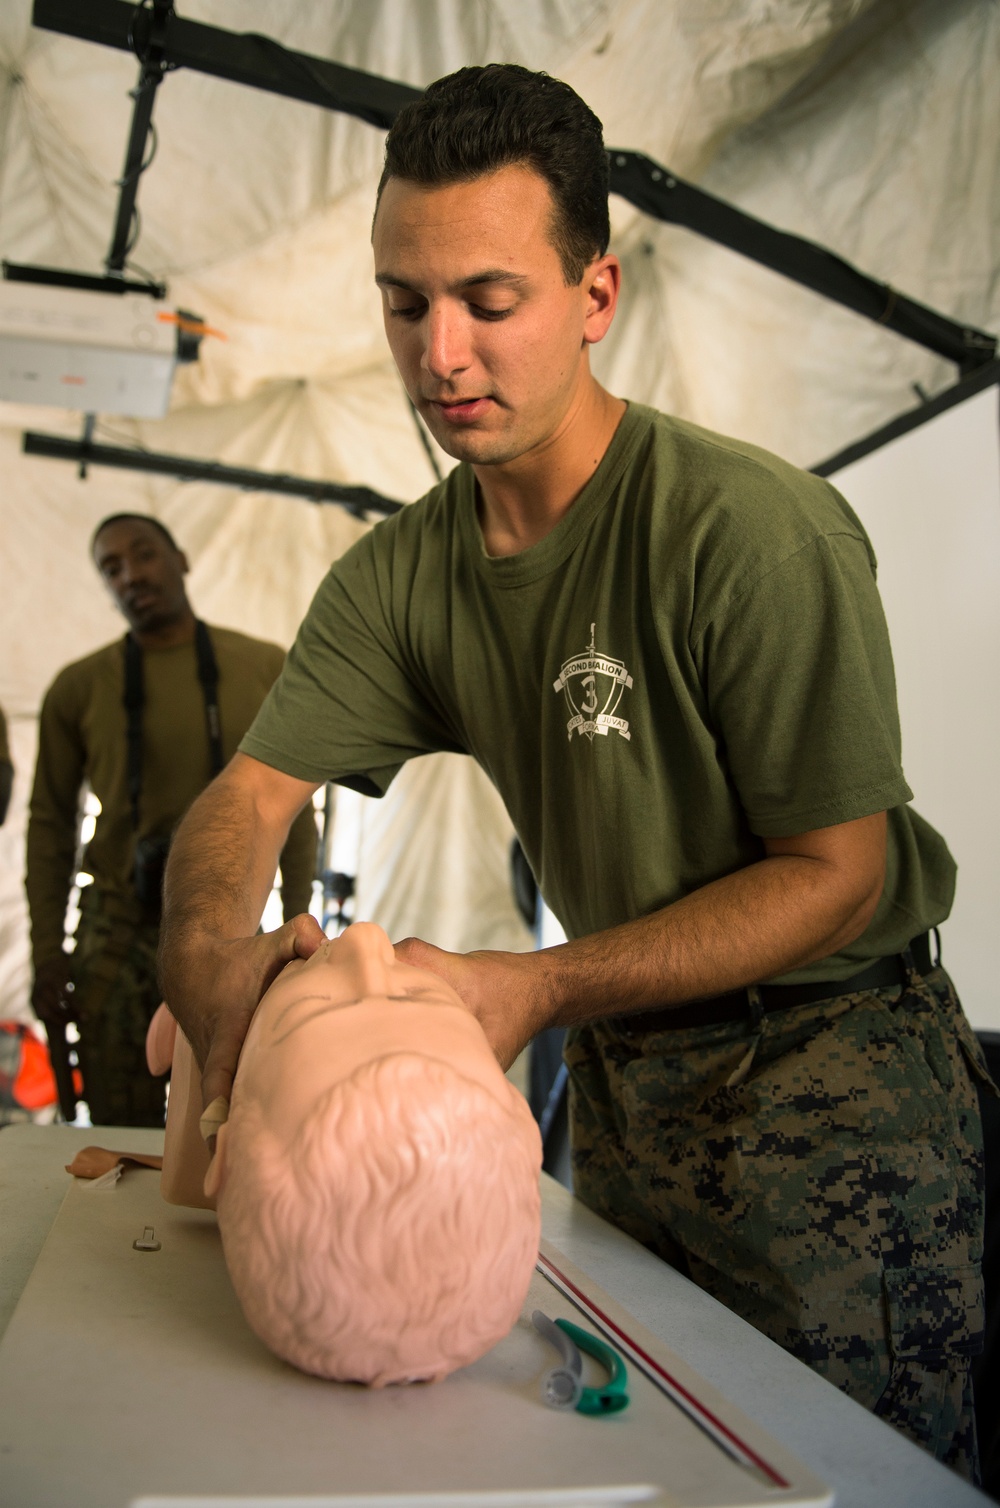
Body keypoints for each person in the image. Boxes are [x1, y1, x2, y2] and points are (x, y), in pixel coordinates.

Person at [158, 65, 994, 1475]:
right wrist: (203, 950)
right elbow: (248, 797)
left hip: (832, 1088)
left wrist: (533, 986)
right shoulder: (403, 580)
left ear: (594, 295)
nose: (441, 355)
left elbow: (838, 876)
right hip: (624, 1087)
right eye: (404, 304)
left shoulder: (748, 535)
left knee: (855, 1470)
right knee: (656, 1458)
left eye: (490, 301)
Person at [149, 922, 541, 1385]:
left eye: (313, 1006)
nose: (366, 939)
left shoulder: (217, 1026)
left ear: (226, 1152)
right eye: (418, 997)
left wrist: (195, 961)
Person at [26, 513, 317, 1127]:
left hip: (232, 923)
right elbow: (50, 824)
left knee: (229, 1115)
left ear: (180, 559)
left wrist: (298, 931)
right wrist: (48, 951)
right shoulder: (79, 688)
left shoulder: (264, 668)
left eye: (144, 554)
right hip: (116, 926)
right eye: (111, 568)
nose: (131, 575)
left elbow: (294, 805)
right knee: (117, 1121)